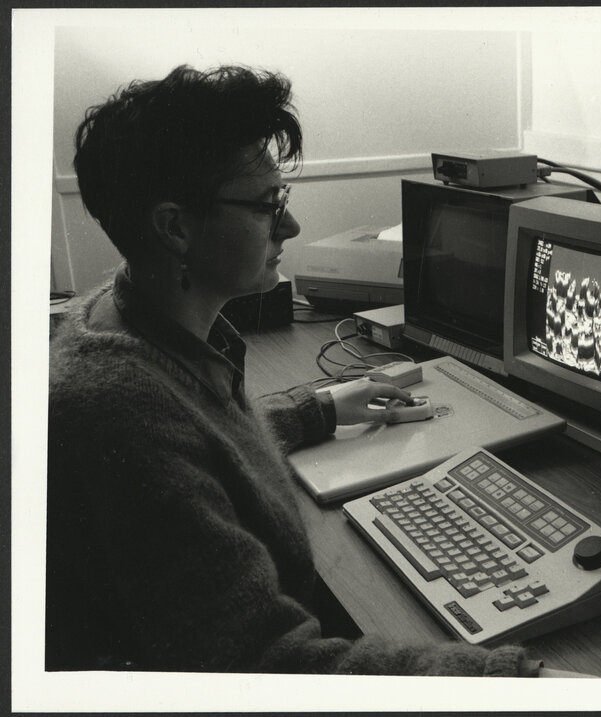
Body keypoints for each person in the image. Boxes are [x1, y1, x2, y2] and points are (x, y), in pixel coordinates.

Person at [46, 64, 563, 677]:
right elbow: (267, 662)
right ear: (175, 227)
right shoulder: (119, 414)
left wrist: (317, 410)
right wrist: (514, 680)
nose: (290, 226)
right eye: (269, 206)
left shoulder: (122, 322)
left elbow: (202, 445)